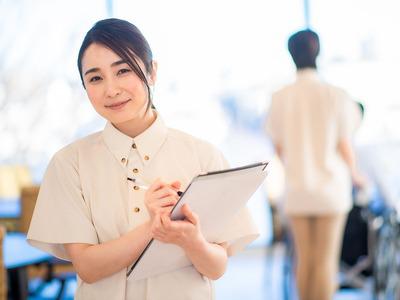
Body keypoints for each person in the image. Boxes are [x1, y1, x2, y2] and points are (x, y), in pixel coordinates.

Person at [27, 18, 258, 300]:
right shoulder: (69, 164)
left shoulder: (203, 156)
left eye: (123, 70)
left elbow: (217, 266)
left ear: (152, 72)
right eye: (95, 78)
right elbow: (87, 267)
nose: (111, 90)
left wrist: (191, 239)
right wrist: (153, 227)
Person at [265, 29, 364, 300]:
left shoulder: (280, 96)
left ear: (291, 55)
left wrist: (298, 163)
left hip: (297, 189)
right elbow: (344, 145)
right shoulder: (335, 94)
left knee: (305, 260)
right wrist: (356, 175)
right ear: (317, 52)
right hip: (331, 191)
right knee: (325, 262)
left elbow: (278, 147)